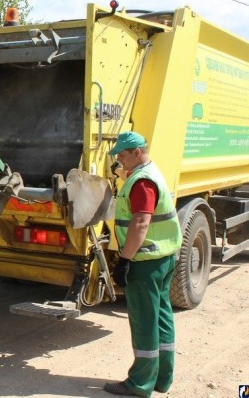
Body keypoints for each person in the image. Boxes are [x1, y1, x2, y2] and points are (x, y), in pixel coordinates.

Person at [103, 131, 182, 397]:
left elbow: (140, 223)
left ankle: (140, 384)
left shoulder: (142, 182)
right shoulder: (150, 172)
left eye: (122, 156)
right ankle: (161, 379)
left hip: (145, 260)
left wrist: (124, 259)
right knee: (161, 317)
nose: (119, 161)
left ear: (137, 152)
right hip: (163, 257)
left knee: (144, 320)